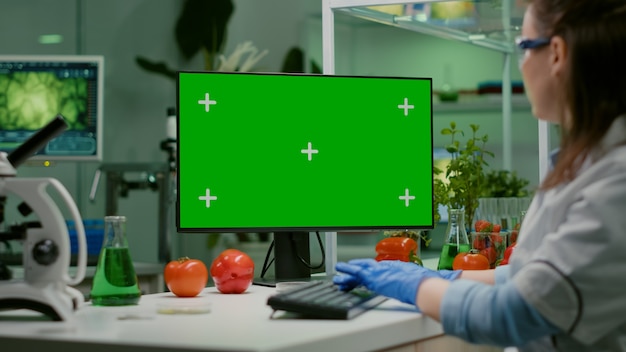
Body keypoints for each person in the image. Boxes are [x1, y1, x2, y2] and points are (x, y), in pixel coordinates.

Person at [333, 1, 626, 351]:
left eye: (523, 47)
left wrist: (414, 286)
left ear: (558, 53)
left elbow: (515, 313)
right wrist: (447, 276)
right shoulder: (590, 164)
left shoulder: (615, 183)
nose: (521, 63)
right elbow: (534, 277)